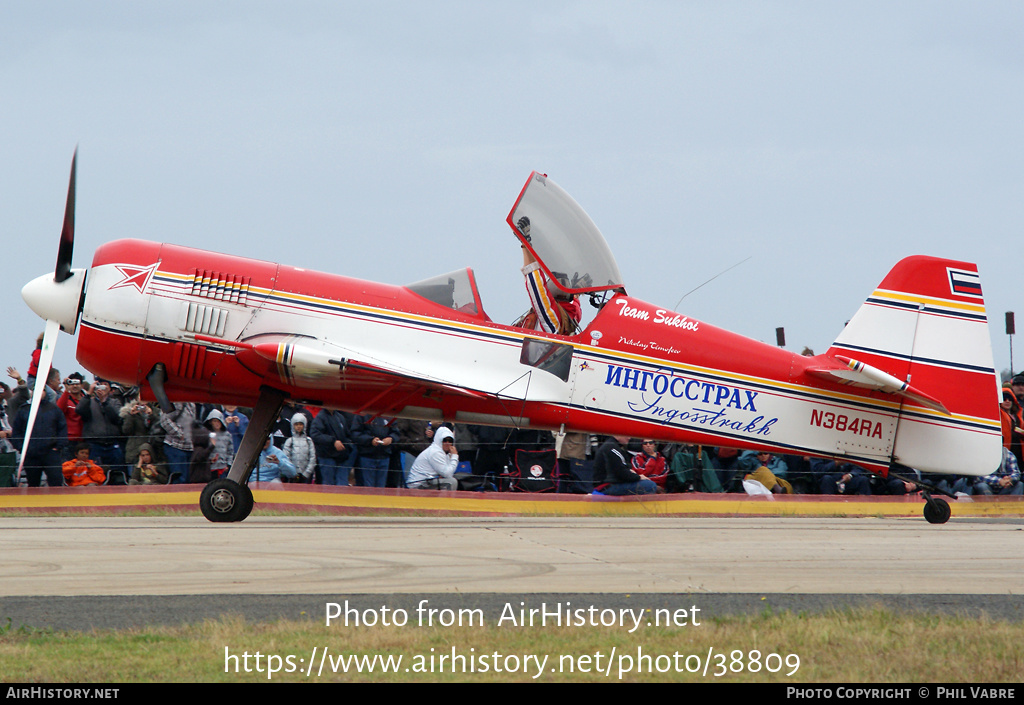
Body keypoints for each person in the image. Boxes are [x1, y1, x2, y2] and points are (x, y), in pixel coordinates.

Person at [514, 216, 581, 336]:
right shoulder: (571, 316)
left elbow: (536, 286)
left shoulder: (554, 320)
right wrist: (577, 292)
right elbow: (575, 303)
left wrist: (525, 243)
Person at [593, 435, 657, 495]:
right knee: (650, 485)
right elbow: (622, 473)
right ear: (617, 435)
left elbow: (622, 469)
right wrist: (639, 477)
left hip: (608, 484)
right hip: (607, 487)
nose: (629, 438)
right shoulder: (612, 449)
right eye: (626, 435)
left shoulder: (612, 446)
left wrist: (632, 473)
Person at [311, 409, 356, 486]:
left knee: (342, 484)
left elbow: (347, 434)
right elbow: (315, 435)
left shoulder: (339, 416)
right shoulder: (320, 417)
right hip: (327, 457)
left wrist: (347, 446)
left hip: (342, 457)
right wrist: (333, 441)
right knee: (328, 484)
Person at [283, 412, 316, 483]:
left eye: (301, 424)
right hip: (292, 476)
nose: (299, 426)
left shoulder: (309, 441)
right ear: (292, 425)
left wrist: (307, 472)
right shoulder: (290, 441)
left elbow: (312, 458)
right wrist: (291, 472)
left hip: (306, 475)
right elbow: (285, 458)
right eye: (296, 424)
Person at [204, 408, 235, 479]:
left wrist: (228, 464)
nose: (217, 423)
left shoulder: (227, 435)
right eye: (215, 421)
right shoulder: (206, 435)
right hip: (211, 468)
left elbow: (230, 451)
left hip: (223, 468)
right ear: (210, 422)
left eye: (219, 421)